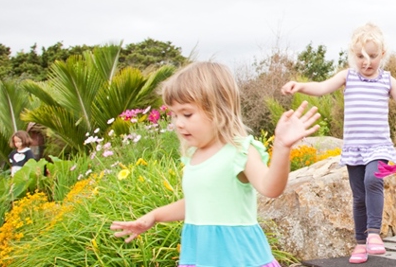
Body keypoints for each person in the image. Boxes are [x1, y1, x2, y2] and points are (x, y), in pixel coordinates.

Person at [111, 62, 320, 267]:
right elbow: (197, 203)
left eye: (187, 114)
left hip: (240, 258)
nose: (178, 123)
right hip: (199, 256)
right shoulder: (193, 155)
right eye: (174, 115)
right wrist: (154, 217)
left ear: (217, 110)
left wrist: (282, 147)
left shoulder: (240, 151)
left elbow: (270, 188)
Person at [281, 23, 396, 264]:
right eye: (360, 56)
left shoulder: (387, 81)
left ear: (382, 54)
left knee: (373, 180)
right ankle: (360, 244)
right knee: (359, 197)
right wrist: (301, 85)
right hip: (354, 148)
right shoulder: (348, 76)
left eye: (372, 56)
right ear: (353, 55)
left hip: (378, 146)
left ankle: (373, 234)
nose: (366, 62)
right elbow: (322, 87)